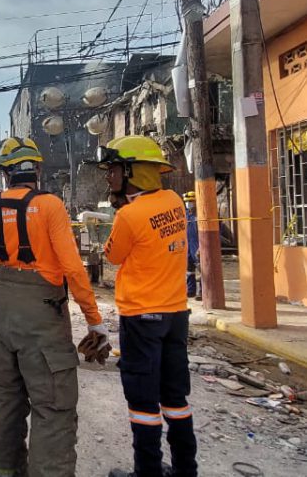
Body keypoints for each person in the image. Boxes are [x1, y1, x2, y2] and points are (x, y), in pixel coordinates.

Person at [0, 137, 107, 476]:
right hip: (42, 311)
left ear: (5, 173)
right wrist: (93, 319)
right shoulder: (50, 205)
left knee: (7, 402)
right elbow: (72, 267)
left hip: (4, 307)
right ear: (38, 170)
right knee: (53, 407)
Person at [95, 136, 198, 477]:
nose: (109, 177)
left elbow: (112, 254)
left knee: (142, 402)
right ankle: (185, 470)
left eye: (113, 170)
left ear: (133, 171)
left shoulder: (130, 215)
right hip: (175, 315)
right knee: (175, 398)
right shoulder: (173, 201)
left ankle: (148, 472)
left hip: (141, 316)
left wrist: (120, 210)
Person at [183, 191, 200, 301]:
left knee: (203, 270)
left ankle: (202, 292)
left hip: (197, 245)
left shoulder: (200, 214)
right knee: (189, 270)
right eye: (187, 202)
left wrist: (202, 247)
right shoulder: (184, 214)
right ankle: (191, 290)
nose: (189, 203)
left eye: (191, 201)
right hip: (187, 245)